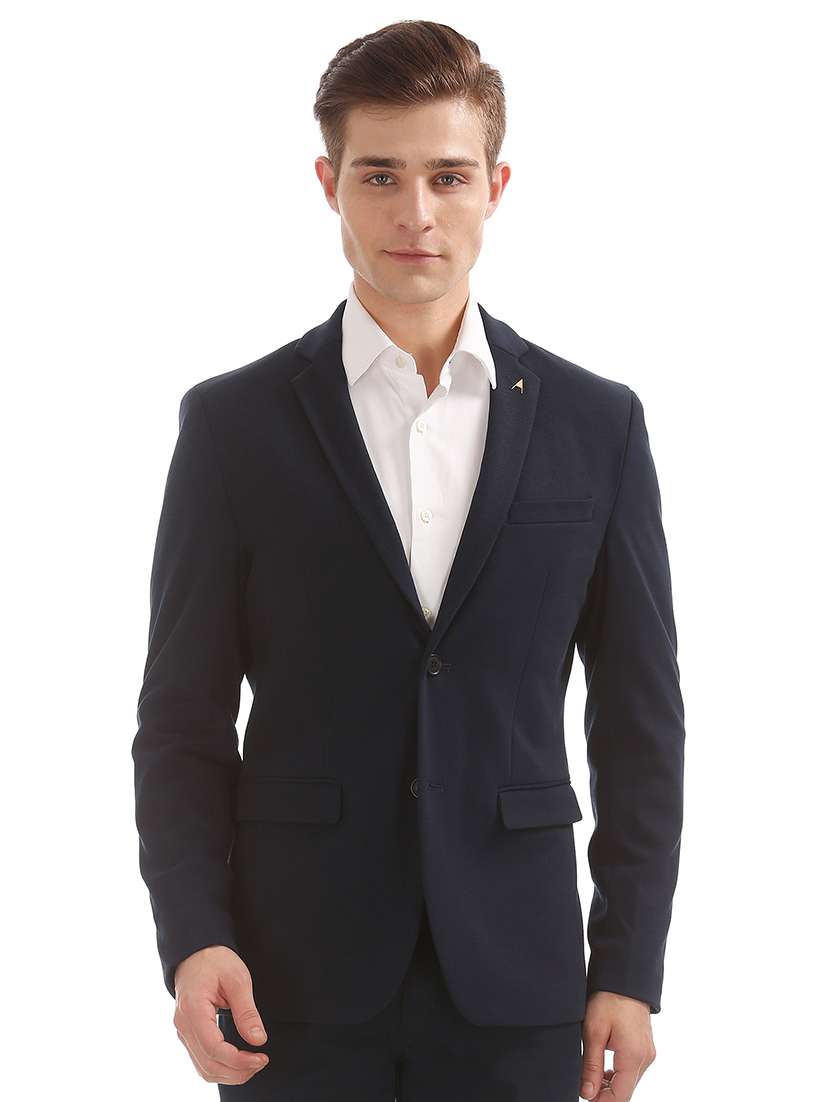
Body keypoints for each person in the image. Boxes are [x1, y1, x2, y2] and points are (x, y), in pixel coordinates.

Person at [132, 19, 685, 1101]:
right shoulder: (234, 426)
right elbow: (183, 718)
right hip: (288, 981)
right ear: (328, 183)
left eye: (448, 176)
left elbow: (639, 723)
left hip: (522, 979)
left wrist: (629, 965)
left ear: (496, 186)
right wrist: (193, 935)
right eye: (379, 175)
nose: (415, 213)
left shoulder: (597, 425)